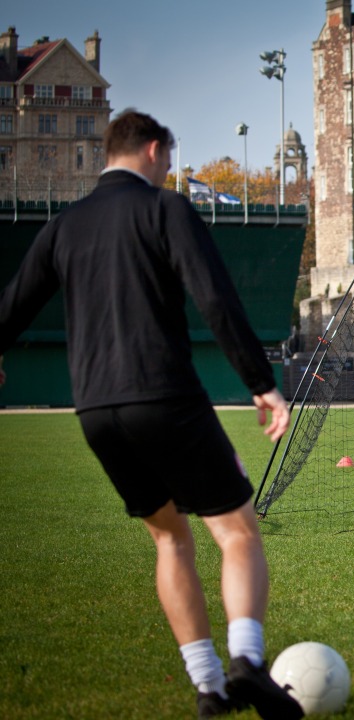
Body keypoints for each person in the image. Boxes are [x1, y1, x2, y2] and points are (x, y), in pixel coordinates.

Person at [0, 110, 303, 720]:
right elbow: (215, 297)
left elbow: (10, 308)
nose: (169, 169)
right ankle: (246, 659)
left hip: (95, 411)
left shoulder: (63, 227)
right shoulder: (165, 210)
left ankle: (208, 688)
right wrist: (261, 382)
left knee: (169, 537)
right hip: (165, 396)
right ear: (156, 151)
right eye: (169, 159)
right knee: (236, 531)